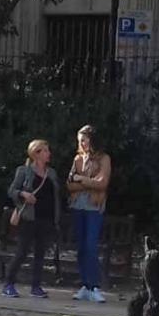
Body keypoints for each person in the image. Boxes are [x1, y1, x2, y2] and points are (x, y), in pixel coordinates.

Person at [3, 140, 61, 298]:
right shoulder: (24, 171)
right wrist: (23, 194)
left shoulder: (52, 173)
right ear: (36, 153)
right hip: (29, 217)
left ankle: (36, 286)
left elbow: (55, 196)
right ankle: (9, 283)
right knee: (22, 251)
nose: (49, 154)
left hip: (46, 218)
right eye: (45, 151)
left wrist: (56, 218)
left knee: (40, 254)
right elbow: (12, 190)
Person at [66, 125, 112, 303]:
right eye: (79, 141)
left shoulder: (104, 159)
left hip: (94, 207)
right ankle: (85, 284)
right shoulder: (77, 159)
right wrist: (87, 182)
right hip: (78, 206)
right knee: (81, 247)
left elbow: (102, 183)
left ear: (92, 140)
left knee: (91, 246)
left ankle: (94, 285)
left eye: (84, 140)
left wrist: (82, 180)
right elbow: (69, 184)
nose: (81, 144)